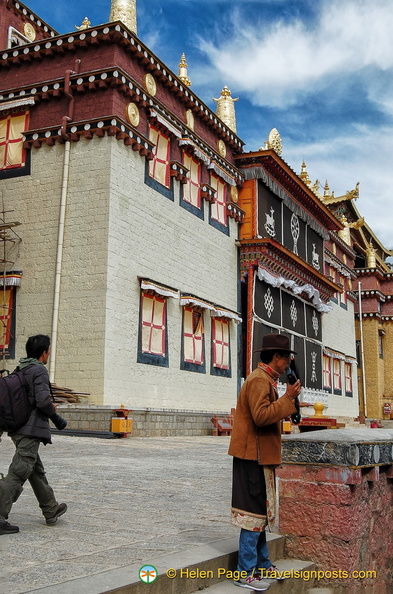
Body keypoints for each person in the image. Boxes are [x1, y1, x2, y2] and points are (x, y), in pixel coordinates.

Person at [228, 333, 301, 591]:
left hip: (259, 455)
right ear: (277, 357)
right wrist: (287, 399)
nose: (288, 364)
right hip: (252, 456)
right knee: (252, 514)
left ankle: (261, 563)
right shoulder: (259, 380)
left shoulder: (265, 379)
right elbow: (260, 417)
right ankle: (245, 571)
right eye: (286, 358)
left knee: (260, 512)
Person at [0, 335, 67, 535]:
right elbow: (42, 401)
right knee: (20, 471)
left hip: (18, 428)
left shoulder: (22, 368)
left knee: (34, 470)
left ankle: (50, 508)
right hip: (30, 429)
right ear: (44, 352)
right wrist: (54, 411)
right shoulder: (38, 370)